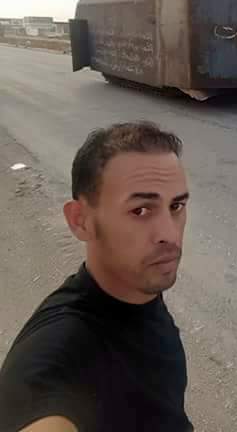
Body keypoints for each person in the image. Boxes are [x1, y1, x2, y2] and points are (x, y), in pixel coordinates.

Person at [0, 122, 193, 432]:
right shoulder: (58, 357)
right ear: (81, 221)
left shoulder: (135, 289)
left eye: (176, 206)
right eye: (141, 211)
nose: (169, 234)